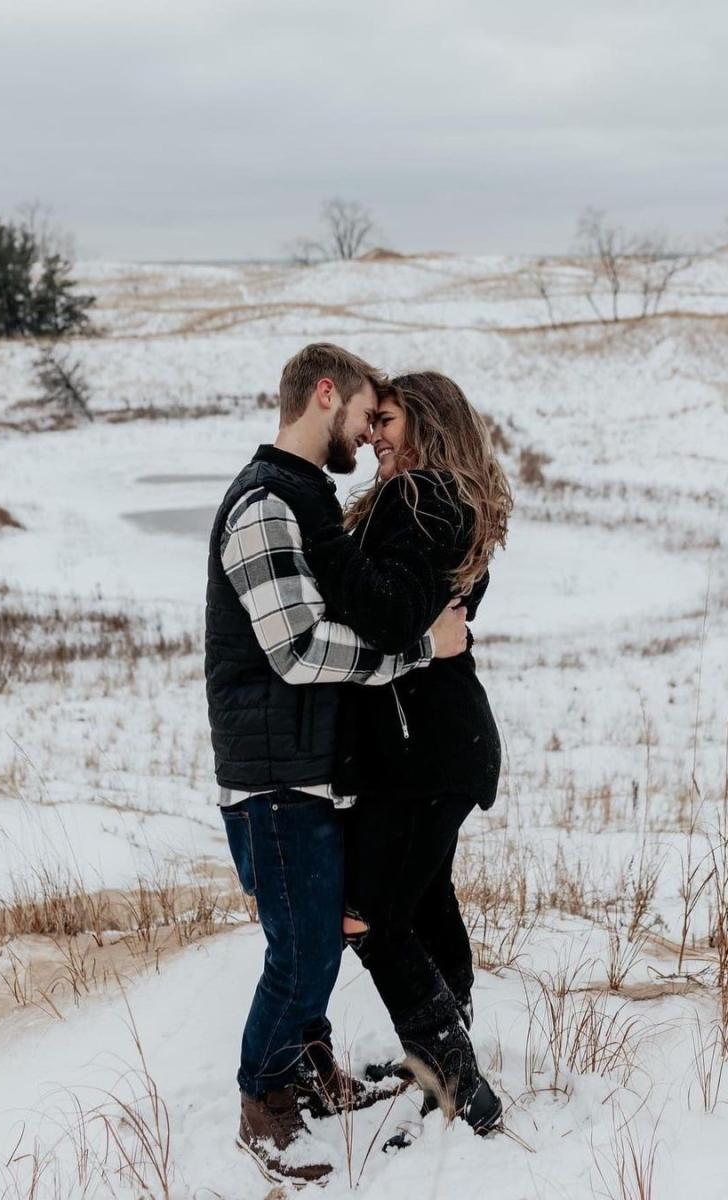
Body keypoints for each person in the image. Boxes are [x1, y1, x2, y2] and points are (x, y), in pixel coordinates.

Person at [205, 343, 469, 1186]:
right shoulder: (263, 505)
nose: (367, 429)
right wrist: (419, 649)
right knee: (305, 947)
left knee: (314, 933)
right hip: (272, 773)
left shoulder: (305, 498)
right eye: (364, 411)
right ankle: (264, 1105)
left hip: (307, 766)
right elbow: (297, 649)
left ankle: (308, 1066)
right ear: (327, 395)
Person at [300, 371, 513, 1139]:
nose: (373, 435)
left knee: (371, 914)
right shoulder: (457, 501)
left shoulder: (415, 498)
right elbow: (413, 609)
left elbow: (390, 613)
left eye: (386, 421)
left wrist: (323, 534)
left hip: (421, 747)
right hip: (444, 742)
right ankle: (442, 1052)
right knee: (425, 899)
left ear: (426, 423)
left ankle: (458, 1085)